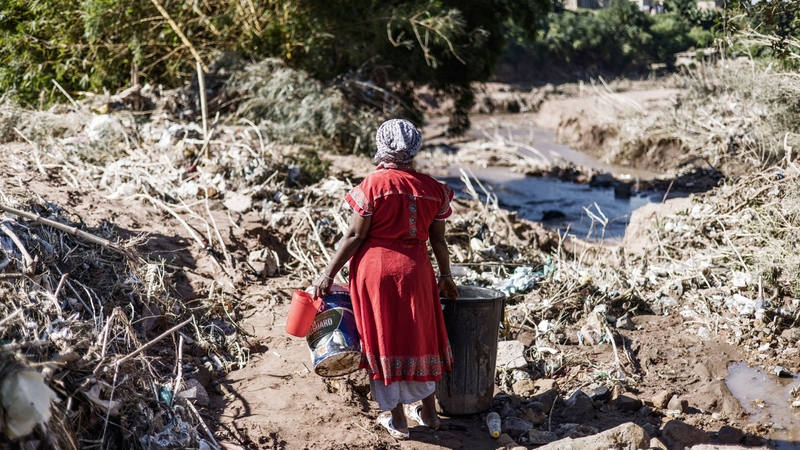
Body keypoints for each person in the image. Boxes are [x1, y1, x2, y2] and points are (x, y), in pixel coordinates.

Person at [314, 118, 459, 439]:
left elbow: (354, 235)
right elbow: (438, 241)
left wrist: (328, 273)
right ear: (414, 148)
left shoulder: (373, 186)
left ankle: (398, 419)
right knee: (419, 335)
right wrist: (446, 275)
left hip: (376, 272)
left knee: (385, 337)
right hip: (417, 270)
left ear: (382, 145)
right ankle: (431, 414)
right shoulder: (433, 189)